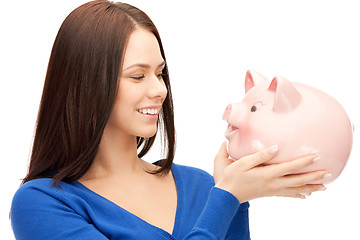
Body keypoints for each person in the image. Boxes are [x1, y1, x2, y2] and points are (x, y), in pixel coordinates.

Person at [10, 1, 328, 239]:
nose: (159, 90)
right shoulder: (42, 203)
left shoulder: (203, 186)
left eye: (160, 73)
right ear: (86, 84)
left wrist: (233, 198)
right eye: (138, 76)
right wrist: (227, 198)